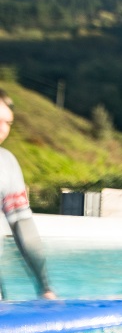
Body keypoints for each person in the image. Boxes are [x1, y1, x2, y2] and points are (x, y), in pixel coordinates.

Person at [0, 87, 55, 300]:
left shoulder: (6, 164)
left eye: (8, 123)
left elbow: (22, 224)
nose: (3, 129)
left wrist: (45, 288)